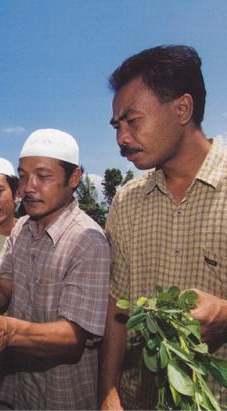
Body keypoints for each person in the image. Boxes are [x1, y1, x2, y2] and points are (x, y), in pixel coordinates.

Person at [0, 129, 111, 409]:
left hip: (61, 395)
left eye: (43, 176)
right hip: (16, 391)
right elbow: (0, 290)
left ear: (74, 178)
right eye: (23, 176)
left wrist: (7, 330)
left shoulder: (88, 241)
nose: (29, 187)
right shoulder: (21, 228)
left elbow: (73, 337)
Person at [99, 45, 227, 410]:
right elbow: (116, 309)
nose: (121, 138)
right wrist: (108, 392)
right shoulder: (125, 202)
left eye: (132, 121)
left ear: (182, 109)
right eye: (116, 126)